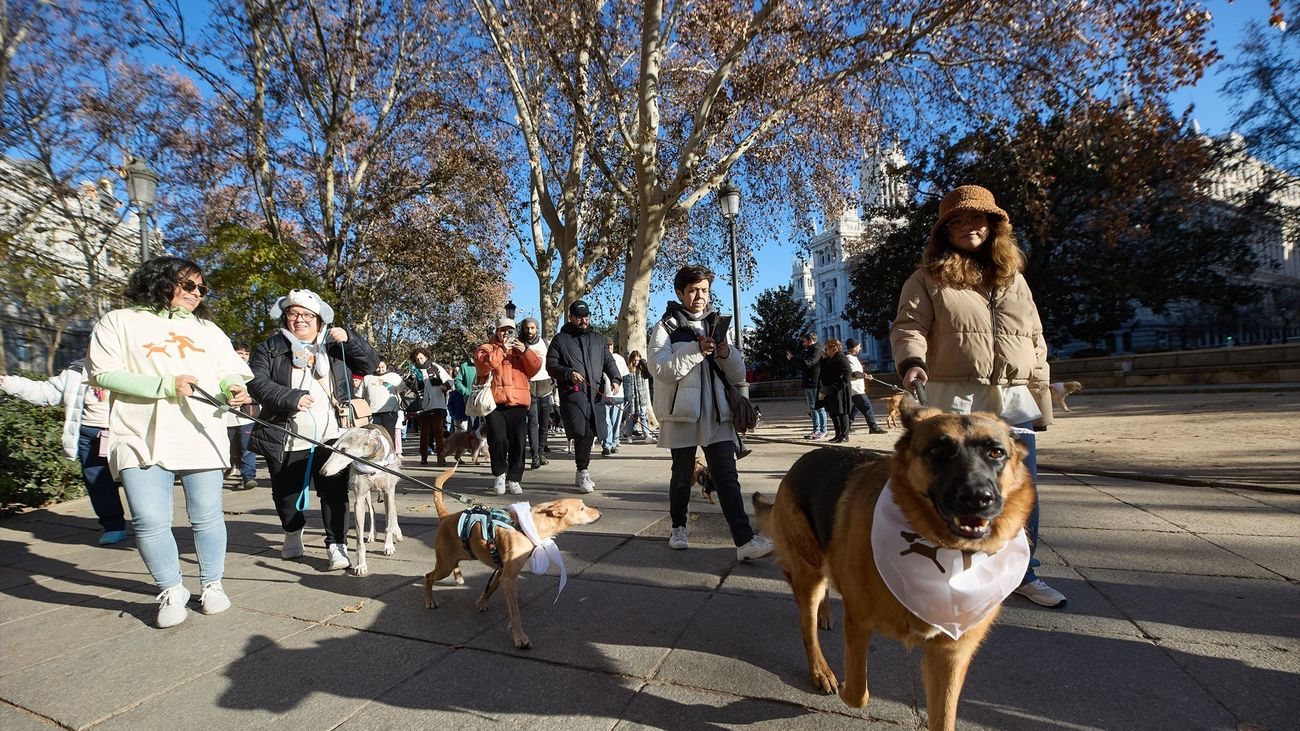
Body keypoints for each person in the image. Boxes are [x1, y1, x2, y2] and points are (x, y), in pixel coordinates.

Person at [890, 183, 1066, 609]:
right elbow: (908, 327)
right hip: (956, 400)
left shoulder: (1014, 279)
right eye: (958, 220)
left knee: (1021, 488)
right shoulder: (927, 278)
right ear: (945, 231)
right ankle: (953, 569)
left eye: (977, 218)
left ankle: (1023, 572)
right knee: (955, 486)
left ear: (993, 225)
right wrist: (913, 361)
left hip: (1011, 401)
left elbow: (1035, 339)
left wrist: (1041, 395)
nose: (969, 226)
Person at [85, 255, 253, 627]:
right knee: (148, 519)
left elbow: (229, 371)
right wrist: (164, 385)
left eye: (201, 288)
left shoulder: (207, 328)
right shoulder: (119, 321)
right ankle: (171, 589)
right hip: (140, 433)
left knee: (207, 516)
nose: (197, 293)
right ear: (159, 281)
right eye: (188, 285)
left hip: (200, 430)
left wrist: (233, 389)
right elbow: (103, 373)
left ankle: (212, 584)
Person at [247, 288, 379, 572]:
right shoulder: (270, 347)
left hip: (332, 433)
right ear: (284, 317)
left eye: (307, 315)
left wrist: (351, 339)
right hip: (286, 434)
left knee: (334, 491)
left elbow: (370, 363)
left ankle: (337, 544)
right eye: (293, 314)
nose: (300, 320)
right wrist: (289, 397)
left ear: (320, 319)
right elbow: (255, 383)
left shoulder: (333, 346)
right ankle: (293, 531)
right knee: (287, 495)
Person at [648, 265, 773, 561]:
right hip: (681, 414)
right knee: (681, 477)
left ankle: (744, 542)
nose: (700, 296)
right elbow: (660, 369)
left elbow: (739, 373)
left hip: (717, 414)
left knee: (727, 477)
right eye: (693, 290)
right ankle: (678, 526)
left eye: (704, 290)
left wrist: (726, 353)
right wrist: (694, 350)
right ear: (680, 293)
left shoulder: (717, 323)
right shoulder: (665, 327)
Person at [1, 360, 126, 544]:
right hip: (89, 434)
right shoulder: (77, 370)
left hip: (124, 433)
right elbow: (47, 393)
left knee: (137, 480)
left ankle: (150, 525)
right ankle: (113, 526)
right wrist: (7, 382)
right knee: (98, 483)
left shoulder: (129, 363)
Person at [546, 300, 621, 493]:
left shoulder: (598, 339)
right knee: (581, 432)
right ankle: (583, 470)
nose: (583, 320)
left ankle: (582, 468)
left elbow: (608, 361)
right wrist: (568, 373)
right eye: (579, 317)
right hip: (574, 394)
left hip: (595, 394)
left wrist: (615, 378)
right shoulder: (560, 340)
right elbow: (551, 365)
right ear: (570, 317)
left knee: (591, 433)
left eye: (586, 316)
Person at [475, 317, 542, 495]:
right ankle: (499, 474)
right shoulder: (487, 348)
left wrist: (526, 352)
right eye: (503, 330)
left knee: (518, 442)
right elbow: (482, 367)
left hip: (518, 402)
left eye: (510, 330)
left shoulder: (520, 349)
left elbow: (535, 369)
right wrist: (502, 350)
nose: (506, 333)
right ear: (496, 331)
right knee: (498, 440)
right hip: (494, 403)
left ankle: (514, 478)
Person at [404, 347, 452, 465]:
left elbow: (450, 381)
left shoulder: (435, 367)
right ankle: (423, 456)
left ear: (426, 356)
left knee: (438, 432)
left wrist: (445, 387)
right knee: (424, 433)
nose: (420, 360)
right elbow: (408, 386)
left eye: (421, 357)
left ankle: (441, 455)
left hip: (437, 404)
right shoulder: (414, 371)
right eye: (417, 359)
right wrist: (410, 381)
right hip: (422, 406)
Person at [224, 342, 259, 490]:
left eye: (246, 354)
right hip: (225, 418)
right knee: (228, 448)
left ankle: (248, 476)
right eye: (240, 353)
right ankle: (226, 469)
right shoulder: (222, 370)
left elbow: (262, 395)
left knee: (247, 448)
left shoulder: (254, 372)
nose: (243, 356)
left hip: (247, 418)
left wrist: (248, 399)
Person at [519, 317, 553, 469]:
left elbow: (552, 363)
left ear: (537, 329)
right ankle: (534, 456)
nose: (530, 331)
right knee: (533, 422)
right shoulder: (520, 344)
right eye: (527, 328)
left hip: (545, 385)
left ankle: (541, 452)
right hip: (528, 386)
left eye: (532, 328)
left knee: (545, 423)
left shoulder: (545, 343)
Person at [787, 332, 827, 440]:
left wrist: (793, 359)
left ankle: (823, 430)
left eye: (805, 341)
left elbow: (809, 363)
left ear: (811, 340)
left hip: (815, 382)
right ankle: (816, 430)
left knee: (819, 407)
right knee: (812, 408)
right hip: (808, 382)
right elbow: (803, 365)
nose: (803, 343)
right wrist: (793, 360)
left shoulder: (817, 349)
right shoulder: (809, 350)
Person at [845, 338, 887, 434]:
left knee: (857, 407)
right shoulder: (849, 358)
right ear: (854, 347)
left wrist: (865, 375)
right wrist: (865, 375)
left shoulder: (852, 357)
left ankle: (847, 426)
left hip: (857, 388)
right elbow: (855, 374)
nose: (859, 348)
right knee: (867, 406)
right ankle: (873, 427)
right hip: (855, 389)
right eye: (858, 346)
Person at [363, 359, 406, 453]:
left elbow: (403, 389)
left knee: (389, 436)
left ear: (386, 366)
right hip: (373, 413)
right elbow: (360, 395)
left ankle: (390, 456)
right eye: (378, 367)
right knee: (375, 438)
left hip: (391, 412)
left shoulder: (394, 376)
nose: (380, 369)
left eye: (382, 367)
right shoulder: (367, 378)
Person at [818, 338, 853, 443]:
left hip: (840, 389)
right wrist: (823, 359)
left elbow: (847, 372)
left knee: (842, 412)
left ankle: (844, 435)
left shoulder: (840, 357)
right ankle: (838, 434)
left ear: (835, 347)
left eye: (827, 348)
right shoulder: (830, 358)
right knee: (834, 412)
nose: (826, 351)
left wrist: (839, 385)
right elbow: (824, 370)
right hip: (831, 389)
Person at [600, 338, 630, 456]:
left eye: (611, 346)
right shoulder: (598, 358)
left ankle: (613, 442)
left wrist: (628, 395)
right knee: (607, 422)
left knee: (615, 422)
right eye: (607, 346)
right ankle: (606, 445)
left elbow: (627, 377)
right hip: (604, 396)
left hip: (618, 396)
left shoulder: (619, 359)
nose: (609, 348)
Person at [623, 350, 656, 442]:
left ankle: (647, 435)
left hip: (641, 396)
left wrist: (642, 362)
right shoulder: (627, 370)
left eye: (638, 360)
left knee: (643, 416)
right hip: (631, 397)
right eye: (634, 360)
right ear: (631, 360)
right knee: (630, 416)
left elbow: (649, 374)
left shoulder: (641, 369)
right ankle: (629, 436)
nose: (636, 362)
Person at [451, 353, 476, 432]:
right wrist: (466, 392)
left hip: (486, 399)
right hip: (470, 399)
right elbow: (457, 381)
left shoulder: (487, 364)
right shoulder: (465, 366)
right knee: (472, 424)